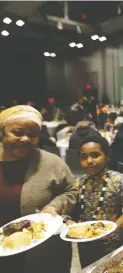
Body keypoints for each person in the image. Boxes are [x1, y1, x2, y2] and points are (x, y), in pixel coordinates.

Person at [0, 105, 78, 273]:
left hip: (45, 254)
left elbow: (71, 190)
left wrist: (54, 206)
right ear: (2, 132)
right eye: (18, 132)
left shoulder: (51, 163)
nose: (26, 139)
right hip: (4, 254)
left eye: (32, 135)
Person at [70, 135, 123, 268]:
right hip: (84, 242)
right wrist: (70, 223)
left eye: (95, 155)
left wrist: (115, 227)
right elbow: (73, 211)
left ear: (106, 156)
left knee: (113, 268)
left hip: (112, 241)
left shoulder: (119, 180)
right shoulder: (78, 182)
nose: (89, 161)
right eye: (84, 157)